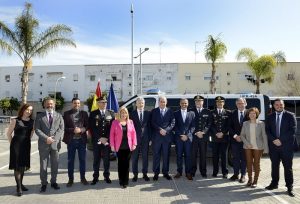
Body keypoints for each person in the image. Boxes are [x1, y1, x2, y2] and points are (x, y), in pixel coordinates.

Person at [265, 98, 297, 197]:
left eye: (281, 104)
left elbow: (292, 130)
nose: (279, 106)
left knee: (288, 168)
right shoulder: (269, 117)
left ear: (283, 105)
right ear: (274, 106)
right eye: (277, 105)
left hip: (286, 147)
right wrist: (274, 140)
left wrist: (280, 140)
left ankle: (289, 186)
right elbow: (267, 130)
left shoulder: (290, 116)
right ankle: (274, 183)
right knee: (274, 166)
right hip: (273, 146)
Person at [35, 97, 64, 192]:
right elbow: (37, 129)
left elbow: (61, 129)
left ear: (54, 105)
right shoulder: (39, 116)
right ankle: (43, 183)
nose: (49, 105)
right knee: (43, 165)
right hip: (43, 144)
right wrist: (46, 138)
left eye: (51, 103)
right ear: (44, 105)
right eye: (47, 103)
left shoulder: (59, 116)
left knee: (55, 164)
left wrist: (53, 139)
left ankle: (53, 182)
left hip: (55, 144)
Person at [7, 104, 34, 196]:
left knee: (22, 166)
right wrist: (13, 145)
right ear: (23, 110)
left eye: (30, 110)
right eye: (27, 109)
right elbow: (9, 134)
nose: (29, 112)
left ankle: (21, 184)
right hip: (16, 146)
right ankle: (18, 188)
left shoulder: (32, 122)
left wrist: (27, 141)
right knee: (17, 166)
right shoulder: (15, 120)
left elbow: (31, 134)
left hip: (26, 146)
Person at [88, 96, 115, 185]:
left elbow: (112, 127)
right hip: (97, 140)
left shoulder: (110, 113)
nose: (104, 104)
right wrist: (100, 138)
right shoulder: (93, 113)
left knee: (107, 159)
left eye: (105, 102)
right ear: (98, 103)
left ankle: (106, 176)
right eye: (102, 102)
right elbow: (92, 127)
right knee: (96, 159)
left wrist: (106, 138)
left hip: (107, 141)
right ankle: (95, 177)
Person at [63, 98, 89, 187]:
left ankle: (83, 178)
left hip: (82, 141)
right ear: (72, 104)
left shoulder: (84, 113)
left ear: (80, 104)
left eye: (78, 103)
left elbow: (87, 126)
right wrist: (73, 130)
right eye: (75, 103)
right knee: (70, 161)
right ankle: (70, 179)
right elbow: (64, 127)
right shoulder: (66, 114)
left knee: (83, 160)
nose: (76, 105)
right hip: (71, 141)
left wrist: (81, 129)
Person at [240, 107, 268, 188]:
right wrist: (247, 143)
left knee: (256, 164)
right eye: (250, 113)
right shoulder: (245, 123)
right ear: (248, 115)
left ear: (256, 114)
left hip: (258, 147)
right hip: (247, 146)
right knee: (248, 163)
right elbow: (242, 135)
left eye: (254, 113)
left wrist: (266, 148)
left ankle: (255, 181)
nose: (252, 115)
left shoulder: (261, 123)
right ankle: (249, 180)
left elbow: (264, 136)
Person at [110, 107, 137, 188]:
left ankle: (126, 181)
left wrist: (134, 144)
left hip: (128, 147)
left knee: (127, 164)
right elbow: (111, 135)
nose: (123, 114)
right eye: (122, 112)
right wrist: (112, 145)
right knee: (120, 164)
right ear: (119, 113)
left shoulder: (130, 122)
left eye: (125, 112)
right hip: (119, 147)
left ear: (127, 114)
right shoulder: (115, 122)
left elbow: (134, 134)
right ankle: (121, 180)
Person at [151, 96, 175, 181]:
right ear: (158, 102)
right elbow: (152, 122)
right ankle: (156, 173)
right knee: (156, 156)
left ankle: (165, 173)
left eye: (164, 102)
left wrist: (166, 130)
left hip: (166, 137)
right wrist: (160, 129)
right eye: (161, 101)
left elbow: (172, 123)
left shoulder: (170, 111)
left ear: (166, 102)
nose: (162, 103)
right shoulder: (154, 111)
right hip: (157, 137)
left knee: (166, 156)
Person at [129, 97, 151, 182]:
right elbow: (130, 128)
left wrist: (150, 139)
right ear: (136, 104)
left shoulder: (148, 113)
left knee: (145, 157)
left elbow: (150, 127)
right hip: (135, 140)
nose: (141, 104)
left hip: (145, 139)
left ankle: (145, 174)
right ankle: (135, 175)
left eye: (142, 103)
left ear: (144, 104)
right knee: (135, 158)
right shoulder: (132, 114)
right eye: (139, 103)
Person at [173, 98, 195, 180]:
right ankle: (179, 172)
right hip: (179, 138)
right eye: (182, 103)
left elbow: (193, 126)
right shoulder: (175, 113)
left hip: (188, 139)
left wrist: (187, 135)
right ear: (180, 104)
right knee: (178, 156)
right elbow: (174, 126)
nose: (184, 104)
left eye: (185, 103)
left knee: (188, 156)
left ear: (188, 104)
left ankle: (188, 173)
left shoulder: (192, 113)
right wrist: (181, 135)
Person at [191, 95, 212, 178]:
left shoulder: (207, 111)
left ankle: (203, 171)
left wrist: (203, 132)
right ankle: (192, 171)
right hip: (194, 137)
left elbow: (209, 123)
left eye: (200, 101)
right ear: (195, 102)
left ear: (203, 102)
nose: (198, 102)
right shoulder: (191, 111)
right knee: (193, 155)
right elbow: (190, 123)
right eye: (196, 101)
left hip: (204, 137)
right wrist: (196, 132)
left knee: (203, 155)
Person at [210, 96, 231, 178]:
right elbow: (210, 124)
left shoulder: (228, 113)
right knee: (215, 155)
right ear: (216, 103)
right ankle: (215, 172)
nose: (219, 103)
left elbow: (228, 125)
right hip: (215, 138)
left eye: (221, 102)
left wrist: (222, 133)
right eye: (218, 102)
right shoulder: (212, 112)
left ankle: (224, 172)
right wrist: (216, 133)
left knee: (224, 156)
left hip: (224, 138)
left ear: (223, 103)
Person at [228, 98, 247, 183]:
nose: (240, 105)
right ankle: (236, 174)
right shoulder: (232, 113)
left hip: (246, 140)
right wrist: (236, 136)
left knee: (244, 158)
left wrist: (242, 137)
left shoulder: (249, 113)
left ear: (245, 103)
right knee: (235, 158)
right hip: (235, 140)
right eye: (238, 103)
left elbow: (252, 126)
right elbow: (229, 127)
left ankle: (243, 175)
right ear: (236, 105)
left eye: (242, 103)